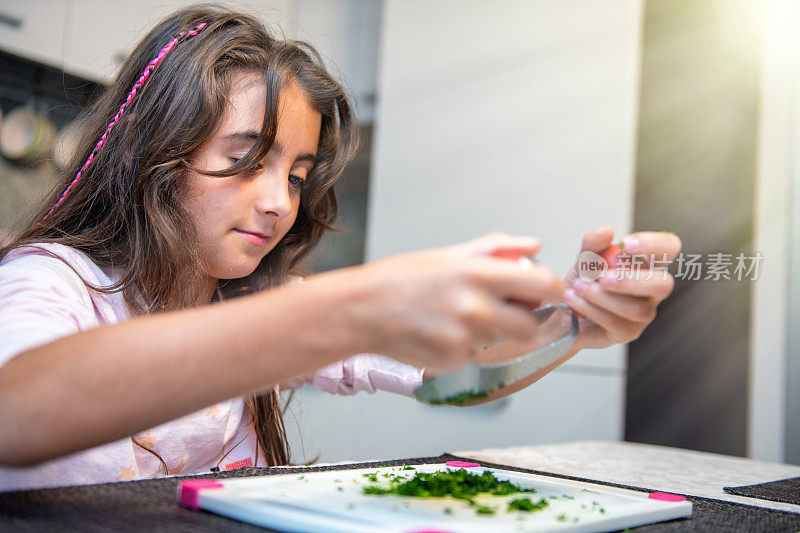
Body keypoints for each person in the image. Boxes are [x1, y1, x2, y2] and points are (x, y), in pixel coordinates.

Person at [0, 6, 680, 491]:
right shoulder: (51, 279)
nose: (278, 202)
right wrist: (348, 308)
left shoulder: (263, 302)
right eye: (245, 159)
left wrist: (571, 324)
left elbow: (456, 373)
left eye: (296, 176)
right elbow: (17, 410)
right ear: (154, 154)